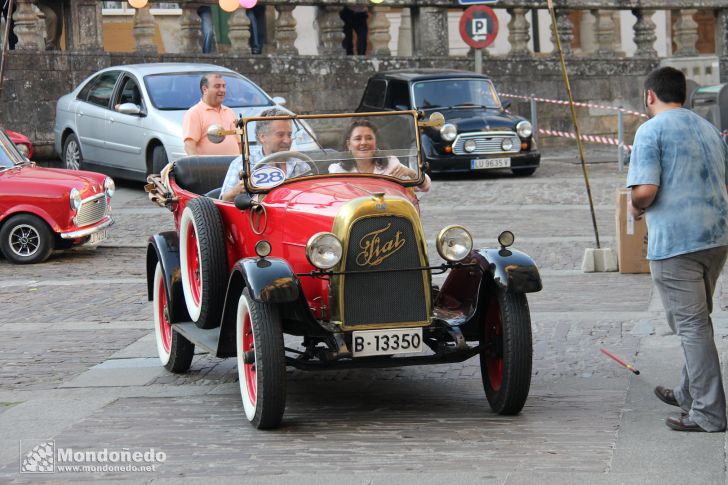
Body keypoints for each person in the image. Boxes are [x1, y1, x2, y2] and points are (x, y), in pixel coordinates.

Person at [627, 66, 728, 432]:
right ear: (682, 94)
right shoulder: (708, 128)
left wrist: (634, 206)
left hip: (676, 242)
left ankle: (708, 413)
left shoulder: (650, 130)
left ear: (650, 95)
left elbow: (645, 190)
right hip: (716, 237)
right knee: (697, 321)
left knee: (691, 327)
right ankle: (689, 392)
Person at [220, 108, 309, 202]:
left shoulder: (299, 163)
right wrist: (236, 191)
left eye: (289, 135)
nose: (287, 140)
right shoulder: (242, 164)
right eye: (280, 135)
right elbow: (224, 201)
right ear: (262, 137)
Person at [329, 120, 431, 192]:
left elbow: (425, 187)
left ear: (376, 142)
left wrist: (411, 173)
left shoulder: (391, 163)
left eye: (369, 138)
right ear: (349, 145)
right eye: (358, 138)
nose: (364, 142)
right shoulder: (338, 171)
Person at [182, 73, 240, 156]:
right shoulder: (194, 113)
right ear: (205, 89)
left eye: (224, 86)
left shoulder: (230, 112)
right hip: (208, 168)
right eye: (217, 86)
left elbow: (240, 143)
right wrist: (197, 167)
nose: (222, 90)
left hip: (234, 167)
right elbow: (189, 146)